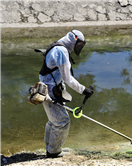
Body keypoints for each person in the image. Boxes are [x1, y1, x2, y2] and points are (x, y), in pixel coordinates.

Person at [39, 30, 93, 158]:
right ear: (74, 40)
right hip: (50, 90)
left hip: (52, 87)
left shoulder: (60, 46)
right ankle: (53, 152)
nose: (79, 48)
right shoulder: (61, 51)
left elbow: (59, 76)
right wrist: (83, 90)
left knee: (54, 121)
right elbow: (67, 78)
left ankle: (50, 148)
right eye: (79, 45)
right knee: (62, 121)